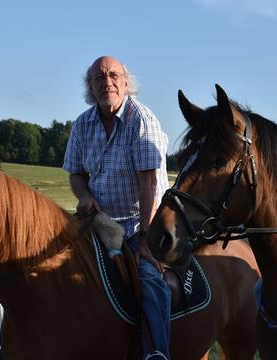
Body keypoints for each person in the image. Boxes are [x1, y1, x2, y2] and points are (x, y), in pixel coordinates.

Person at [63, 56, 171, 360]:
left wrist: (147, 239)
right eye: (99, 78)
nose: (106, 82)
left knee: (149, 278)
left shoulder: (142, 119)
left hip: (141, 222)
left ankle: (156, 353)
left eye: (113, 76)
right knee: (49, 264)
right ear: (90, 88)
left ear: (126, 83)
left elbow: (149, 184)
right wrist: (83, 195)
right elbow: (75, 175)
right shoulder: (83, 124)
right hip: (97, 222)